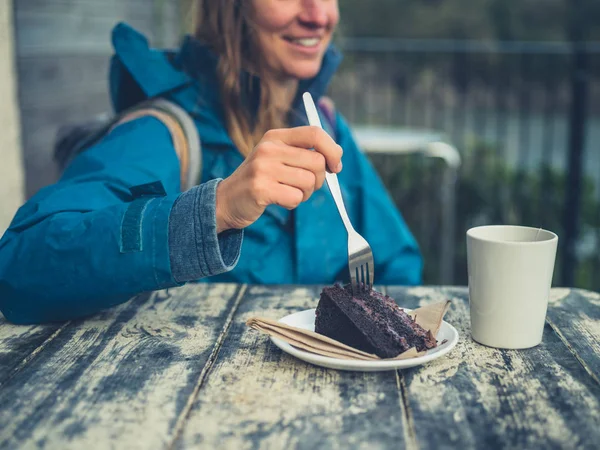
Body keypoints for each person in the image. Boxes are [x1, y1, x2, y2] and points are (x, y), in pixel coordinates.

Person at [0, 0, 422, 325]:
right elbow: (18, 267)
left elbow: (397, 262)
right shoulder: (165, 132)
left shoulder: (324, 123)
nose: (318, 16)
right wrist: (214, 209)